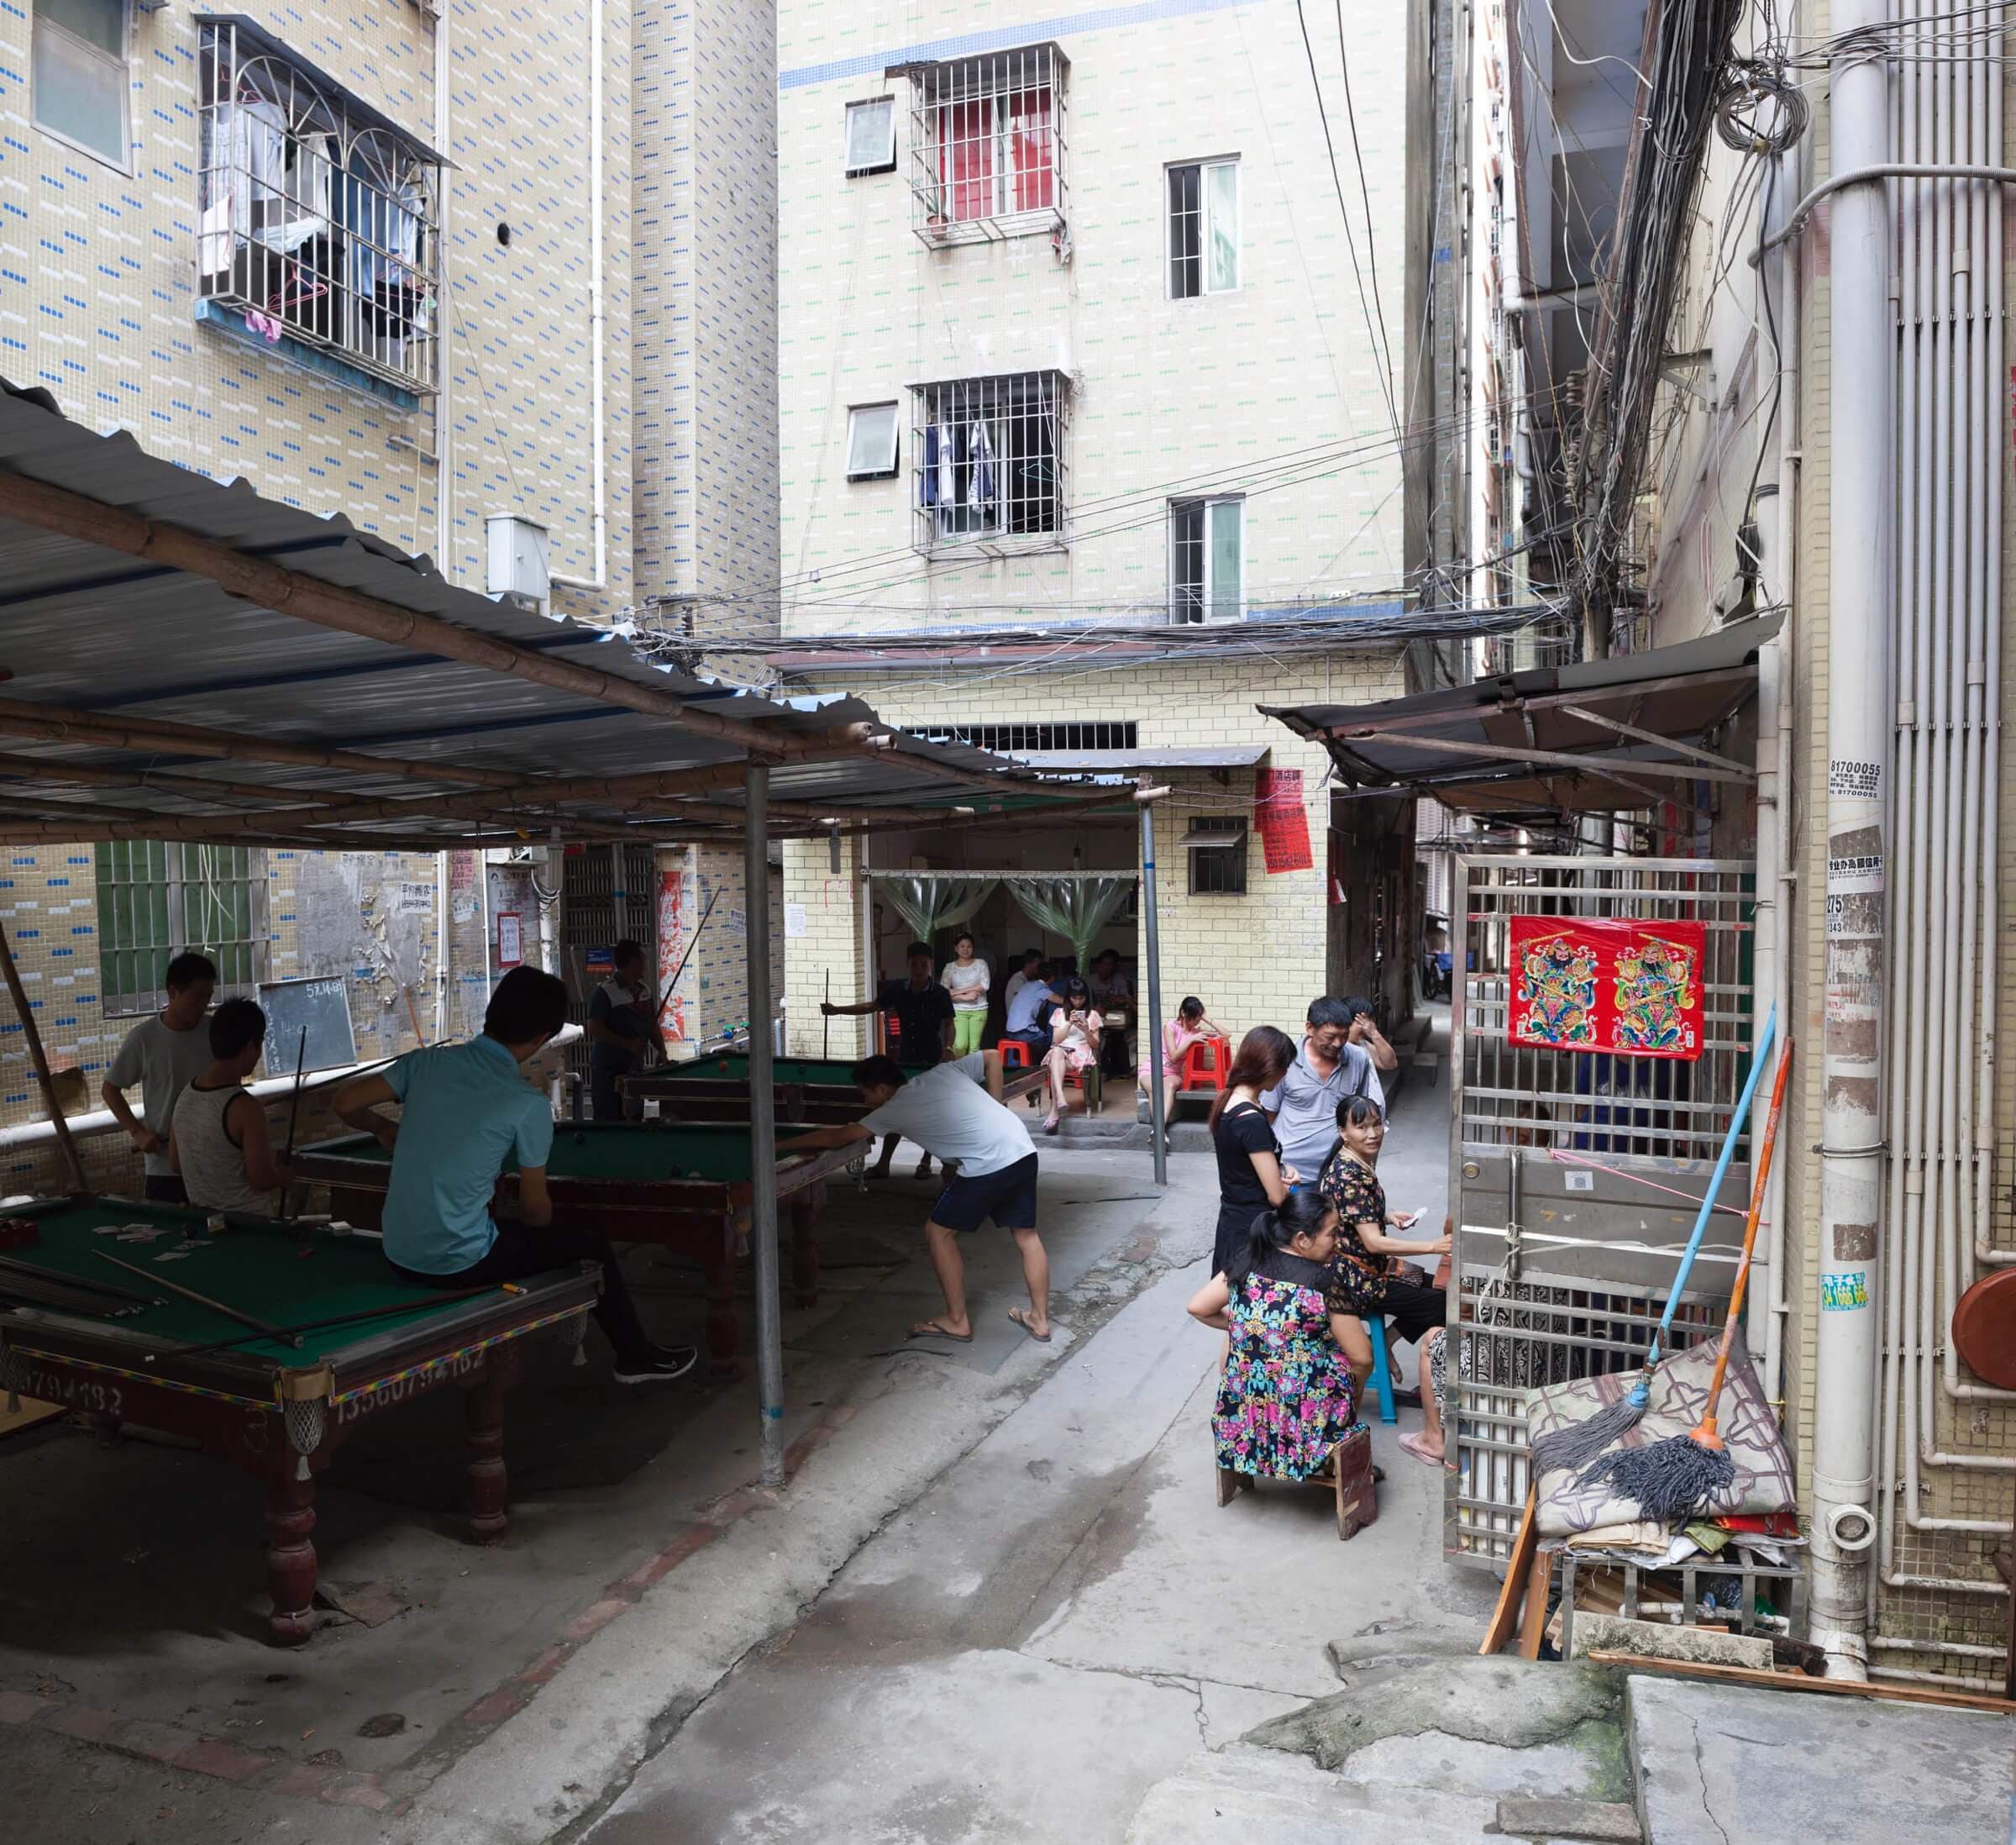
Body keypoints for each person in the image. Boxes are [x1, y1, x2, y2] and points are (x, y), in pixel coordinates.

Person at [333, 966, 696, 1384]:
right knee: (592, 1244)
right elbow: (536, 1211)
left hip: (398, 1253)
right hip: (460, 1263)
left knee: (498, 1228)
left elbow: (344, 1102)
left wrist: (382, 1128)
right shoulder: (527, 1104)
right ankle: (634, 1356)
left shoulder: (426, 1062)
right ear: (543, 1037)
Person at [783, 1050, 1051, 1344]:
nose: (865, 1102)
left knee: (938, 1233)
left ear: (882, 1088)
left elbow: (838, 1137)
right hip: (1021, 1146)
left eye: (866, 1094)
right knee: (1027, 1236)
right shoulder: (943, 1072)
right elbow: (993, 1057)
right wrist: (996, 1104)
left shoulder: (894, 1107)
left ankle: (957, 1321)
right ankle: (1039, 1319)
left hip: (987, 1162)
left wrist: (782, 1143)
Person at [1186, 1190, 1371, 1484]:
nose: (1338, 1242)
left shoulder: (1248, 1260)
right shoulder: (1324, 1282)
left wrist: (1257, 1329)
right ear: (1302, 1240)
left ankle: (1257, 1445)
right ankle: (1331, 1436)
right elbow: (1362, 1359)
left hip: (1243, 1404)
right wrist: (1351, 1398)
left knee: (1236, 1341)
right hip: (1305, 1412)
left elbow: (1198, 1307)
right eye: (1332, 1234)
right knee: (1348, 1354)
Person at [1317, 1094, 1453, 1467]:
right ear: (1343, 1132)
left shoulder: (1356, 1162)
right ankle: (1385, 1344)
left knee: (1435, 1287)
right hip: (1357, 1281)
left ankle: (1388, 1341)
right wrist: (1432, 1245)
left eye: (1376, 1124)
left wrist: (1389, 1216)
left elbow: (1358, 1219)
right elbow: (1372, 1242)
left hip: (1371, 1267)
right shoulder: (1349, 1173)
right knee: (1445, 1303)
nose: (1372, 1133)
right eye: (1361, 1127)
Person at [822, 942, 958, 1180]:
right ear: (908, 965)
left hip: (932, 1060)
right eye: (914, 964)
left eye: (923, 965)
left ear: (930, 966)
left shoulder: (941, 994)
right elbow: (872, 1006)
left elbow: (949, 1024)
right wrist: (837, 1010)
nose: (918, 969)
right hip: (905, 1059)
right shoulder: (898, 989)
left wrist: (948, 1048)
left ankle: (926, 1161)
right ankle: (883, 1164)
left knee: (930, 1112)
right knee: (896, 1109)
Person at [102, 950, 218, 1204]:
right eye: (197, 997)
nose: (203, 1005)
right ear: (173, 992)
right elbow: (110, 1090)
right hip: (165, 1168)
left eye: (208, 997)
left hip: (212, 1161)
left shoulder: (216, 1033)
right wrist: (138, 1132)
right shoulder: (144, 1038)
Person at [168, 996, 288, 1215]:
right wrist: (286, 1174)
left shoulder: (185, 1094)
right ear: (251, 1045)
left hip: (205, 1224)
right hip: (251, 1229)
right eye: (260, 1045)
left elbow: (175, 1164)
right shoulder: (247, 1109)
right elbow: (261, 1179)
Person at [1260, 996, 1392, 1187]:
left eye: (1344, 1036)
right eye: (1329, 1037)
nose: (1338, 1043)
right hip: (1293, 1173)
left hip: (1340, 1172)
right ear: (1310, 1029)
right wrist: (1274, 1166)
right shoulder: (1286, 1060)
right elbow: (1269, 1116)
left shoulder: (1358, 1059)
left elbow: (1357, 1112)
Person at [1208, 1025, 1299, 1277]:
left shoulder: (1229, 1101)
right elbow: (1277, 1198)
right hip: (1252, 1228)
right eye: (1285, 1068)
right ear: (1271, 1067)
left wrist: (1281, 1168)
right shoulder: (1251, 1119)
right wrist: (1289, 1187)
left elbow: (1243, 1165)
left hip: (1232, 1221)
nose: (1284, 1076)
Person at [585, 938, 656, 1122]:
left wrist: (662, 1052)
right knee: (608, 1120)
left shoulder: (645, 991)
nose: (645, 965)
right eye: (643, 960)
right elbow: (594, 1028)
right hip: (608, 1070)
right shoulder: (605, 992)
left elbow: (652, 1025)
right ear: (633, 962)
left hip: (634, 1070)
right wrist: (628, 1045)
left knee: (634, 1118)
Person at [1037, 975, 1102, 1136]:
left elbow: (1095, 1044)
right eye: (1074, 998)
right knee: (1057, 1051)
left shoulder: (1092, 1015)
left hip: (1081, 1054)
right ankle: (1060, 1098)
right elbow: (1056, 1040)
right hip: (1061, 1053)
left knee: (1054, 1064)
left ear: (1086, 998)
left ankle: (1055, 1110)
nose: (1078, 1002)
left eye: (1081, 998)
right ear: (1068, 997)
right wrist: (1069, 1023)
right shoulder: (1059, 1013)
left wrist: (1086, 1029)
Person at [1138, 996, 1226, 1106]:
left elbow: (1226, 1034)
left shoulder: (1196, 1033)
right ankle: (1160, 1123)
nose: (1197, 1021)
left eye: (1199, 1018)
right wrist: (1190, 1040)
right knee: (1155, 1090)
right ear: (1183, 1013)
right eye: (1195, 1017)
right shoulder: (1170, 1027)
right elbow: (1173, 1056)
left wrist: (1206, 1018)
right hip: (1152, 1070)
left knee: (1169, 1086)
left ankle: (1160, 1122)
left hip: (1173, 1074)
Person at [940, 931, 991, 1058]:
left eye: (969, 946)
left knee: (974, 1047)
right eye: (962, 946)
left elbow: (985, 985)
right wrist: (964, 996)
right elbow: (943, 992)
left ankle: (971, 1075)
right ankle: (958, 1073)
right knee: (960, 1045)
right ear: (956, 949)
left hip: (979, 1009)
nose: (965, 949)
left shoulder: (981, 964)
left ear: (973, 948)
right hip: (958, 1010)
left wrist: (956, 991)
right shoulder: (950, 968)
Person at [1087, 949, 1135, 1077]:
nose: (1107, 967)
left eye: (1111, 964)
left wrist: (1119, 998)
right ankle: (1100, 1070)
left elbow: (1128, 1000)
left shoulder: (1119, 979)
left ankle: (1120, 1071)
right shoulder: (1090, 980)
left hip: (1115, 1019)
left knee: (1120, 1039)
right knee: (1100, 1040)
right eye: (1105, 964)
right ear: (1098, 965)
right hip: (1093, 1020)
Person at [1001, 958, 1057, 1067]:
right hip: (1024, 1032)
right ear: (1052, 978)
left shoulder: (1027, 985)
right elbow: (1060, 1000)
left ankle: (1029, 1063)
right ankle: (1039, 1068)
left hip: (1010, 1030)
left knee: (1038, 1040)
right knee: (1049, 1041)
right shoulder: (1042, 989)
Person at [1002, 948, 1045, 1017]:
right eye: (1040, 964)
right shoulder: (1017, 980)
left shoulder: (1032, 979)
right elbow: (1029, 1000)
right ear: (1035, 962)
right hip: (1018, 1021)